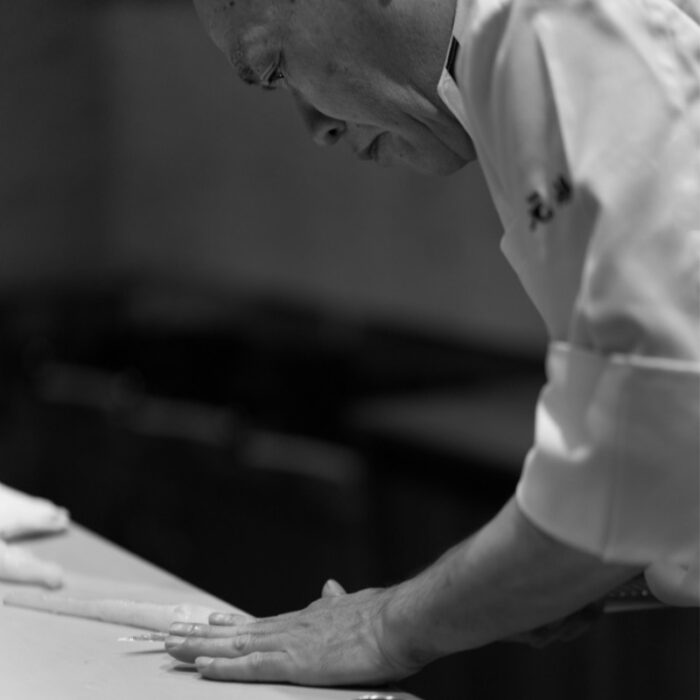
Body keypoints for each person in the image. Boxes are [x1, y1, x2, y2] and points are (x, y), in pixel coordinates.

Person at [165, 0, 700, 686]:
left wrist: (385, 628)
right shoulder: (511, 59)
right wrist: (544, 577)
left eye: (275, 68)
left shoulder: (547, 24)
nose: (315, 128)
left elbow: (643, 458)